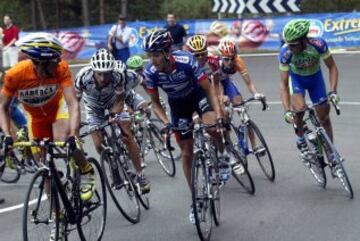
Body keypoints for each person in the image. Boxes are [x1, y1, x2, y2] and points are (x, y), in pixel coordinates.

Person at [142, 29, 227, 224]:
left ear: (166, 53)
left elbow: (209, 90)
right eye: (149, 55)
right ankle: (196, 197)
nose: (152, 60)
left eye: (155, 55)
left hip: (198, 96)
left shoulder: (187, 61)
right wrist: (166, 123)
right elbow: (155, 103)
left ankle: (222, 156)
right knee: (187, 151)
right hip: (178, 106)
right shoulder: (150, 72)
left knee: (213, 126)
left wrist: (219, 115)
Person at [74, 49, 150, 193]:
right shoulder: (82, 77)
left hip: (114, 102)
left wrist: (114, 115)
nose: (103, 78)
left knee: (127, 135)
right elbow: (74, 103)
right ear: (93, 70)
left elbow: (121, 100)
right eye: (99, 74)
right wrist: (75, 127)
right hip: (93, 107)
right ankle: (113, 165)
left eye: (106, 74)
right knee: (98, 145)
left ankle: (140, 175)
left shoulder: (118, 76)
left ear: (112, 71)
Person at [279, 19, 339, 169]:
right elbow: (284, 84)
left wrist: (333, 91)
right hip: (298, 82)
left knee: (324, 118)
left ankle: (331, 152)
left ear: (304, 40)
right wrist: (286, 110)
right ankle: (300, 139)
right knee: (298, 111)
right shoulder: (286, 53)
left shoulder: (318, 45)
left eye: (293, 44)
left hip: (315, 80)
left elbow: (332, 68)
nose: (289, 47)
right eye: (288, 43)